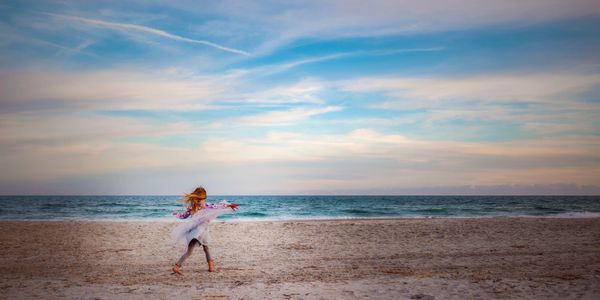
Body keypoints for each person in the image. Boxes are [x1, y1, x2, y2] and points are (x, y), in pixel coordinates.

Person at [171, 186, 239, 274]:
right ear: (202, 198)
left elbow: (183, 216)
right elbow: (216, 206)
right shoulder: (204, 205)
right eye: (204, 198)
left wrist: (176, 214)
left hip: (199, 231)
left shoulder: (191, 207)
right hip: (199, 231)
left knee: (205, 247)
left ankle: (211, 267)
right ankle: (177, 266)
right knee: (193, 250)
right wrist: (228, 205)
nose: (204, 200)